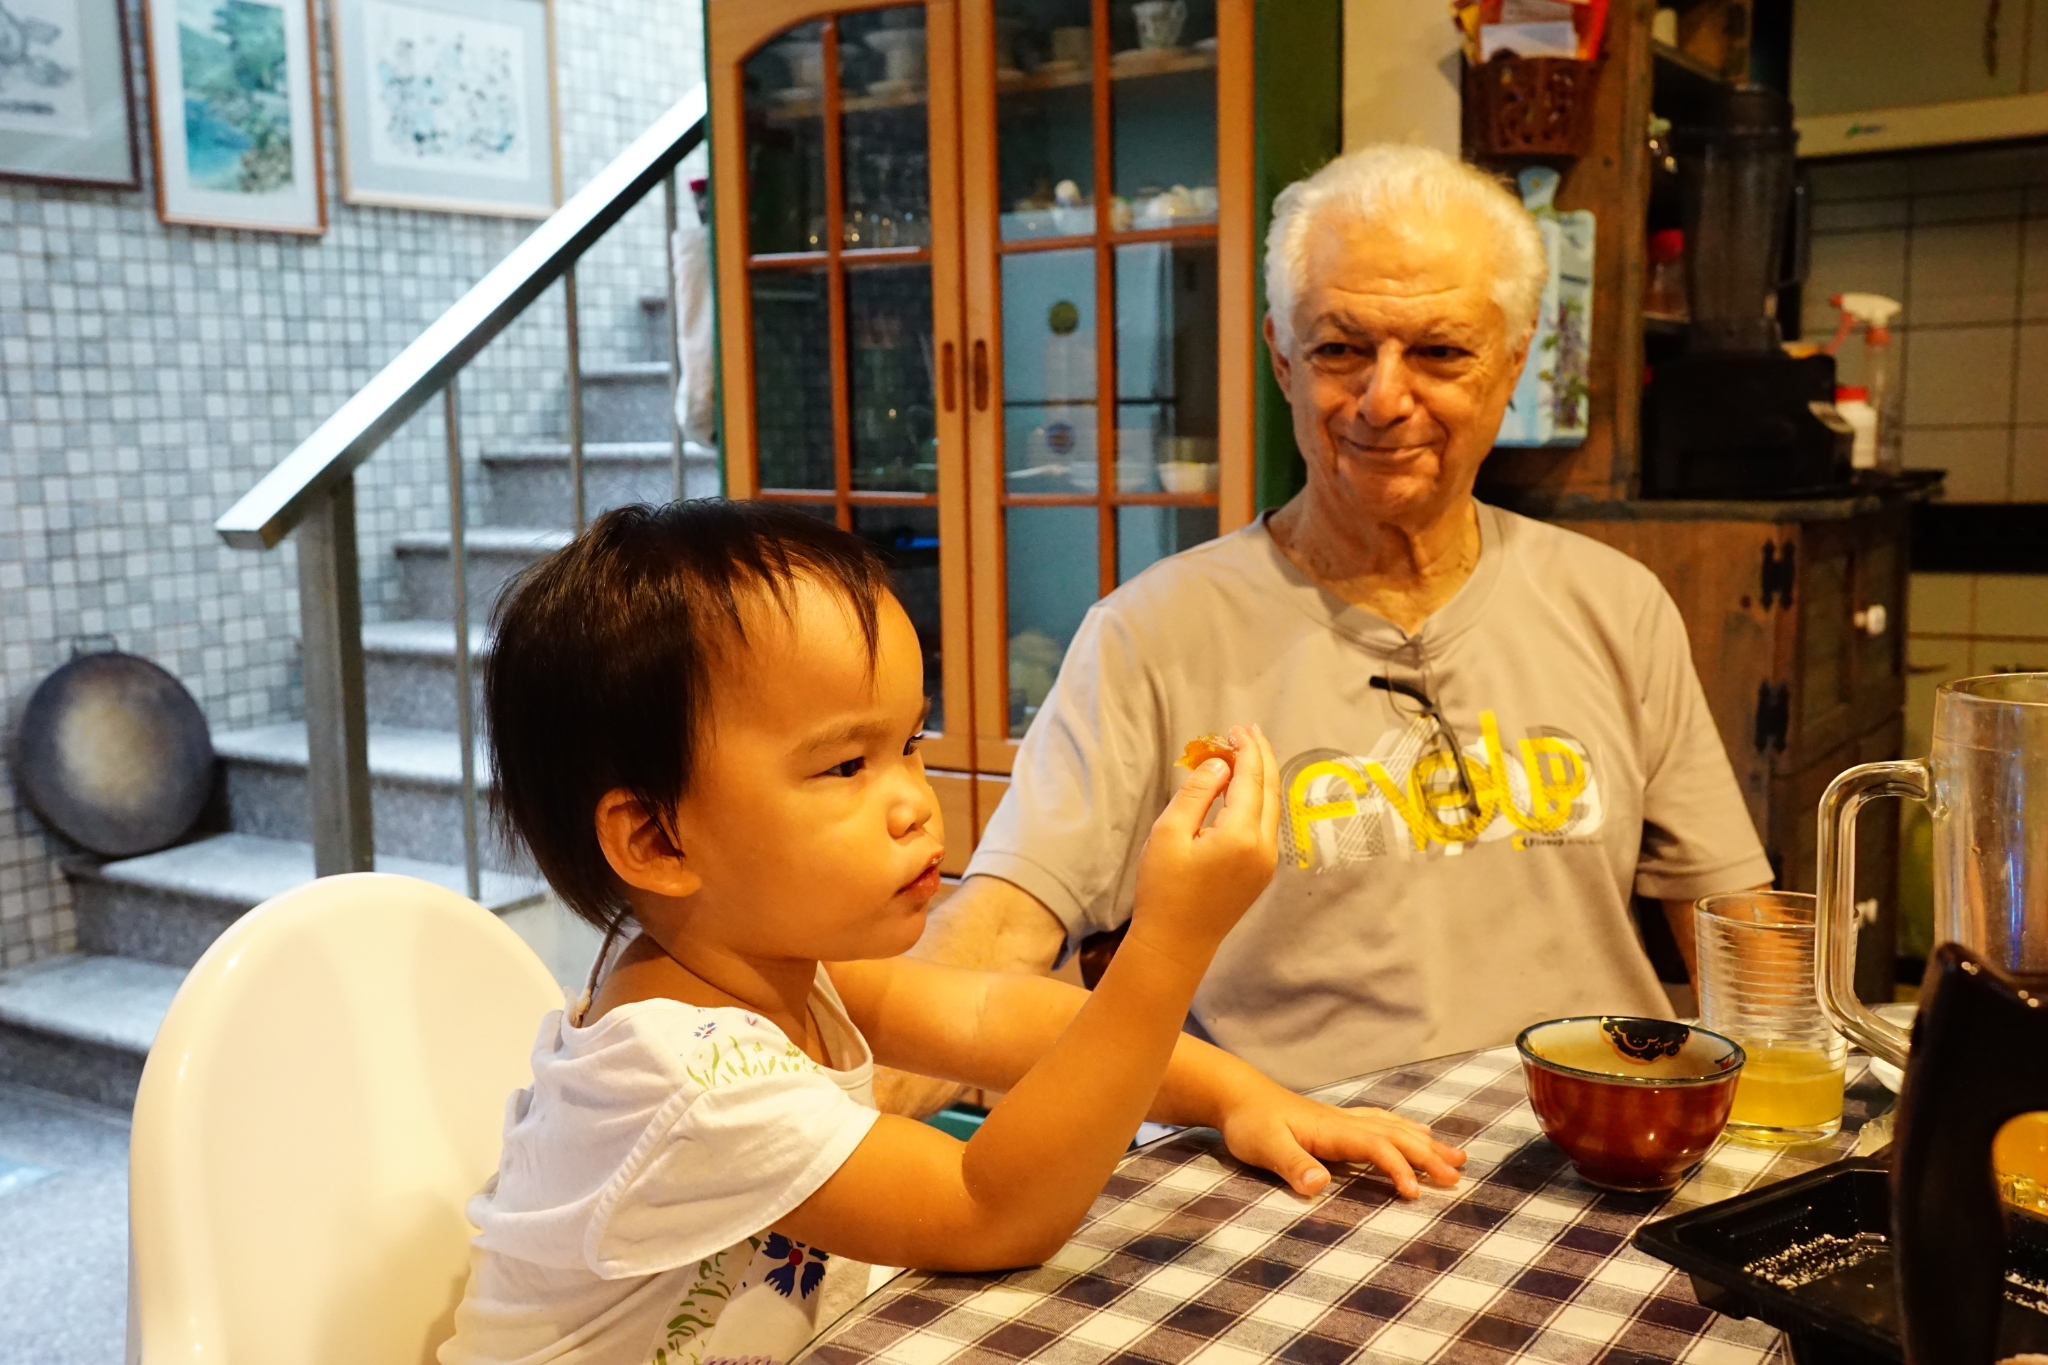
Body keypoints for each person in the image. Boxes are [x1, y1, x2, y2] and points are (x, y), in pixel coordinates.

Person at [438, 501, 1466, 1365]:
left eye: (910, 744)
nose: (913, 803)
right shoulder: (686, 1078)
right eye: (846, 766)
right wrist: (1170, 942)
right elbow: (991, 1210)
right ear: (658, 840)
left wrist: (1237, 1095)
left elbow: (992, 1015)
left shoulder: (760, 967)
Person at [884, 144, 1773, 1113]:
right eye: (1340, 350)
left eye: (1439, 352)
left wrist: (1799, 1116)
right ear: (1281, 356)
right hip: (1293, 1160)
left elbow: (1732, 925)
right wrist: (825, 1118)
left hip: (1590, 1140)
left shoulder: (1617, 606)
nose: (1383, 400)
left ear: (1513, 362)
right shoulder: (1149, 636)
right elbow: (1003, 926)